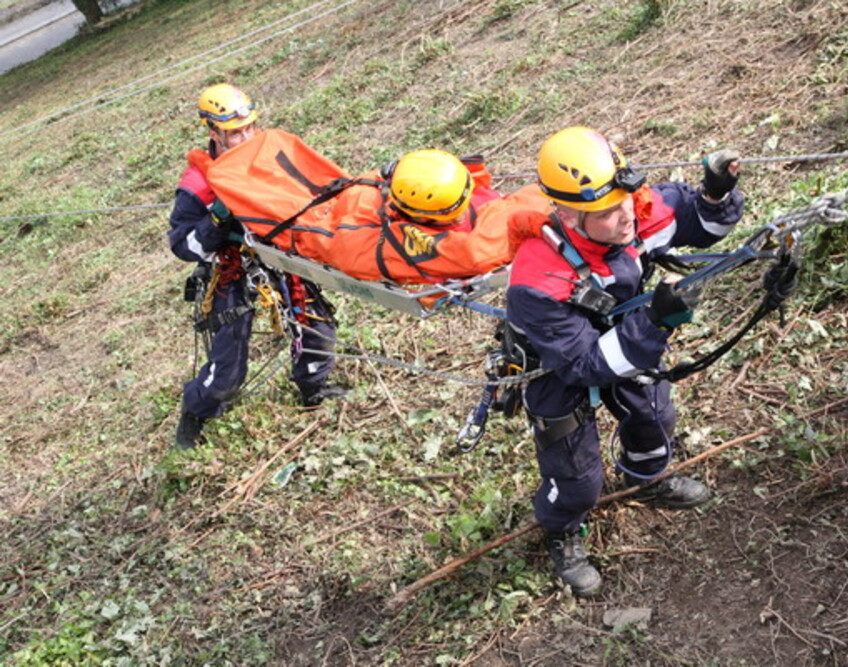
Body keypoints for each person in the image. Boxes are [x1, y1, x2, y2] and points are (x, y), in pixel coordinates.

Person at [503, 126, 748, 597]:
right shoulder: (537, 278)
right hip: (558, 366)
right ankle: (563, 528)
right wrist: (655, 323)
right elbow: (583, 364)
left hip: (627, 339)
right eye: (609, 211)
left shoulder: (633, 212)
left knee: (654, 416)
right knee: (576, 476)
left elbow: (698, 223)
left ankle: (647, 476)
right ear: (570, 215)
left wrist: (716, 195)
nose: (625, 218)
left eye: (625, 201)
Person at [167, 84, 343, 450]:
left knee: (316, 326)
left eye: (249, 128)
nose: (245, 137)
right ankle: (197, 410)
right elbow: (183, 245)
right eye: (234, 133)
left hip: (280, 257)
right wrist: (217, 218)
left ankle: (315, 387)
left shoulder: (268, 156)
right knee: (227, 368)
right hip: (233, 268)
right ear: (212, 132)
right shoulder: (198, 184)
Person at [203, 128, 553, 283]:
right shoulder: (426, 244)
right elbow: (479, 248)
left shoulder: (421, 212)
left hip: (344, 209)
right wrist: (548, 205)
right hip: (337, 218)